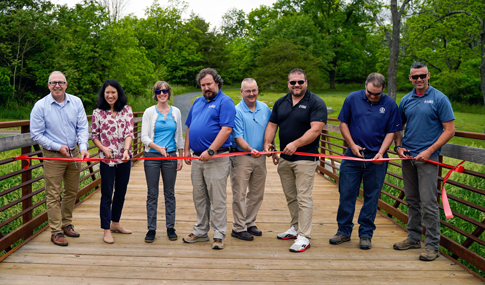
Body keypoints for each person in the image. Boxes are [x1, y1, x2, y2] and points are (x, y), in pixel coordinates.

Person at [328, 73, 402, 250]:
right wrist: (352, 145)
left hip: (377, 157)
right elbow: (343, 123)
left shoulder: (390, 104)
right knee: (346, 193)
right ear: (365, 86)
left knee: (371, 196)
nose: (373, 96)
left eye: (377, 94)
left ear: (383, 89)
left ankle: (366, 234)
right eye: (370, 92)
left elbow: (391, 132)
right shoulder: (353, 98)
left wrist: (381, 153)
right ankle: (344, 231)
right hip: (353, 155)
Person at [393, 62, 455, 261]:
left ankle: (432, 246)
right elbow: (398, 125)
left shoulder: (439, 99)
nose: (419, 79)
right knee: (412, 199)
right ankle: (413, 237)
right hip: (408, 156)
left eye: (422, 76)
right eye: (414, 77)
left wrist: (429, 151)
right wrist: (398, 146)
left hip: (429, 158)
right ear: (410, 78)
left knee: (428, 202)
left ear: (429, 76)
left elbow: (449, 130)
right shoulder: (406, 99)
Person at [264, 68, 327, 252]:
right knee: (291, 196)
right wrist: (269, 143)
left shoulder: (316, 103)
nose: (296, 85)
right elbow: (272, 124)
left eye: (300, 82)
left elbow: (316, 130)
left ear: (306, 82)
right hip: (285, 158)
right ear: (288, 84)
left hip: (305, 159)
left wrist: (296, 144)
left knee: (303, 197)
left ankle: (304, 236)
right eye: (293, 82)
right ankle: (295, 227)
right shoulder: (280, 102)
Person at [30, 71, 90, 246]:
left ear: (66, 85)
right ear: (48, 85)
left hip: (74, 153)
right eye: (53, 82)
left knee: (72, 191)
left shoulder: (76, 102)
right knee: (53, 194)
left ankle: (66, 224)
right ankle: (56, 231)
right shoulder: (40, 106)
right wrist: (57, 147)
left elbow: (82, 127)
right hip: (53, 155)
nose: (57, 85)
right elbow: (36, 134)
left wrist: (84, 147)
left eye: (61, 82)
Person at [182, 68, 235, 250]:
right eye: (203, 85)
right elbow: (189, 126)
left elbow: (226, 129)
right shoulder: (197, 102)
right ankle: (201, 231)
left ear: (217, 83)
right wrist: (187, 149)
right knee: (199, 196)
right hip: (197, 159)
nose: (206, 88)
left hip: (217, 157)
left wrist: (210, 151)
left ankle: (219, 234)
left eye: (209, 84)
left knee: (217, 198)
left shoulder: (225, 102)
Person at [229, 78, 278, 241]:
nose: (251, 94)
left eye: (254, 90)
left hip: (261, 157)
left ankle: (249, 223)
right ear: (241, 92)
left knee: (257, 193)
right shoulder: (236, 111)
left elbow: (271, 131)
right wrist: (250, 149)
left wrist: (273, 150)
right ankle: (238, 227)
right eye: (247, 91)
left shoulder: (264, 108)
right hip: (242, 156)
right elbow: (237, 137)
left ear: (257, 90)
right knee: (240, 193)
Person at [91, 79, 134, 244]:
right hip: (106, 159)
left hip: (124, 158)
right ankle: (106, 229)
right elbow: (94, 135)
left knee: (121, 192)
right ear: (103, 94)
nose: (110, 95)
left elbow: (129, 132)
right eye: (107, 92)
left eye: (113, 92)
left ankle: (115, 223)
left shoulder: (127, 110)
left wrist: (126, 151)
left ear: (118, 93)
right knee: (107, 193)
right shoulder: (97, 113)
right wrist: (104, 149)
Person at [141, 81, 184, 243]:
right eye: (158, 91)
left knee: (169, 193)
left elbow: (179, 135)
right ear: (155, 94)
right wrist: (158, 148)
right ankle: (151, 229)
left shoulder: (176, 112)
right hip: (152, 156)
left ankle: (170, 227)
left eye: (165, 90)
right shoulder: (149, 112)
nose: (162, 93)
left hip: (170, 156)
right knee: (152, 193)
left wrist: (179, 155)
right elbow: (144, 137)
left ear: (169, 92)